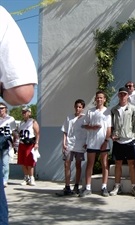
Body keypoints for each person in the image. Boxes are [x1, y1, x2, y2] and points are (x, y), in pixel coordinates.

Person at [0, 6, 38, 224]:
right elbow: (22, 92)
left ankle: (29, 178)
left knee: (10, 163)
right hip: (17, 142)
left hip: (15, 142)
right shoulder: (1, 16)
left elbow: (36, 132)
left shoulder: (23, 121)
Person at [79, 91, 111, 197]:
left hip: (103, 142)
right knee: (90, 164)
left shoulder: (107, 112)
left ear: (104, 99)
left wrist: (106, 141)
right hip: (92, 142)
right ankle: (88, 188)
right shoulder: (90, 111)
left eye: (101, 98)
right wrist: (92, 127)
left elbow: (109, 128)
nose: (99, 99)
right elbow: (84, 125)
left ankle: (104, 187)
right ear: (95, 99)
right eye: (97, 98)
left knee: (104, 164)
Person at [110, 87, 135, 196]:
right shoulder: (114, 110)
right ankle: (117, 186)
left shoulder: (134, 109)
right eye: (121, 94)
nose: (123, 96)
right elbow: (111, 125)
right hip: (118, 141)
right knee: (118, 164)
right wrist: (112, 135)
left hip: (130, 140)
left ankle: (134, 187)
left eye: (125, 94)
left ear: (128, 96)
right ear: (118, 95)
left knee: (131, 164)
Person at [56, 99, 87, 196]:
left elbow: (88, 131)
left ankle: (76, 186)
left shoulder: (85, 118)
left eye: (80, 107)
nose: (78, 109)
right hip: (69, 144)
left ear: (82, 108)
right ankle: (67, 186)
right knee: (67, 164)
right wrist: (64, 143)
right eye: (76, 107)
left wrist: (86, 143)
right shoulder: (69, 117)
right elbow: (65, 131)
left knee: (78, 165)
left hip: (80, 145)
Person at [17, 106, 39, 186]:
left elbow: (37, 133)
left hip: (30, 144)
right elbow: (19, 133)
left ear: (29, 113)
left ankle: (31, 177)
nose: (24, 113)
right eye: (23, 112)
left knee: (29, 162)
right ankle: (26, 177)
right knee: (23, 162)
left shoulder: (33, 122)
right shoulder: (21, 123)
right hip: (22, 143)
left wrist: (36, 143)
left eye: (25, 112)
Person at [0, 102, 16, 187]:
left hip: (6, 142)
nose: (1, 110)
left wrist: (15, 142)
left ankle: (5, 179)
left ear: (6, 109)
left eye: (2, 108)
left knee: (5, 162)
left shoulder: (10, 119)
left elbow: (13, 132)